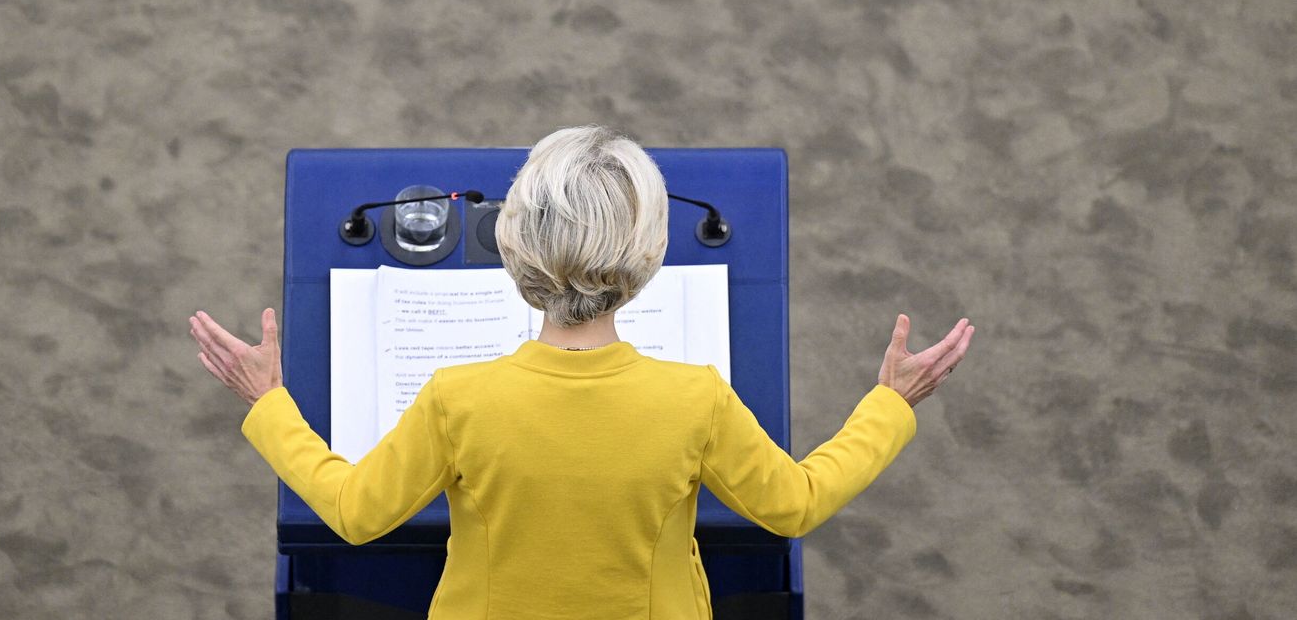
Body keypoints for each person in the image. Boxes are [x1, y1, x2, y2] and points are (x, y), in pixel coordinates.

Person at [190, 124, 974, 620]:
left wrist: (268, 402)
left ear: (513, 247)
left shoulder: (457, 400)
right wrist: (890, 403)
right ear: (649, 257)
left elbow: (355, 511)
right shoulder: (694, 399)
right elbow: (794, 506)